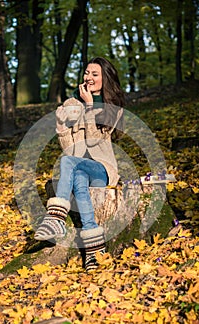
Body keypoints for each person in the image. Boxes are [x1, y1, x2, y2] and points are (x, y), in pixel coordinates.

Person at [34, 57, 125, 271]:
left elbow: (95, 144)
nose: (89, 78)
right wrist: (61, 128)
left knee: (70, 164)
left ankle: (56, 217)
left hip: (102, 168)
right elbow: (69, 149)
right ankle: (95, 249)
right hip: (78, 166)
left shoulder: (112, 107)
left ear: (105, 79)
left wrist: (91, 106)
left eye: (95, 74)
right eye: (87, 73)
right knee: (76, 175)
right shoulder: (71, 105)